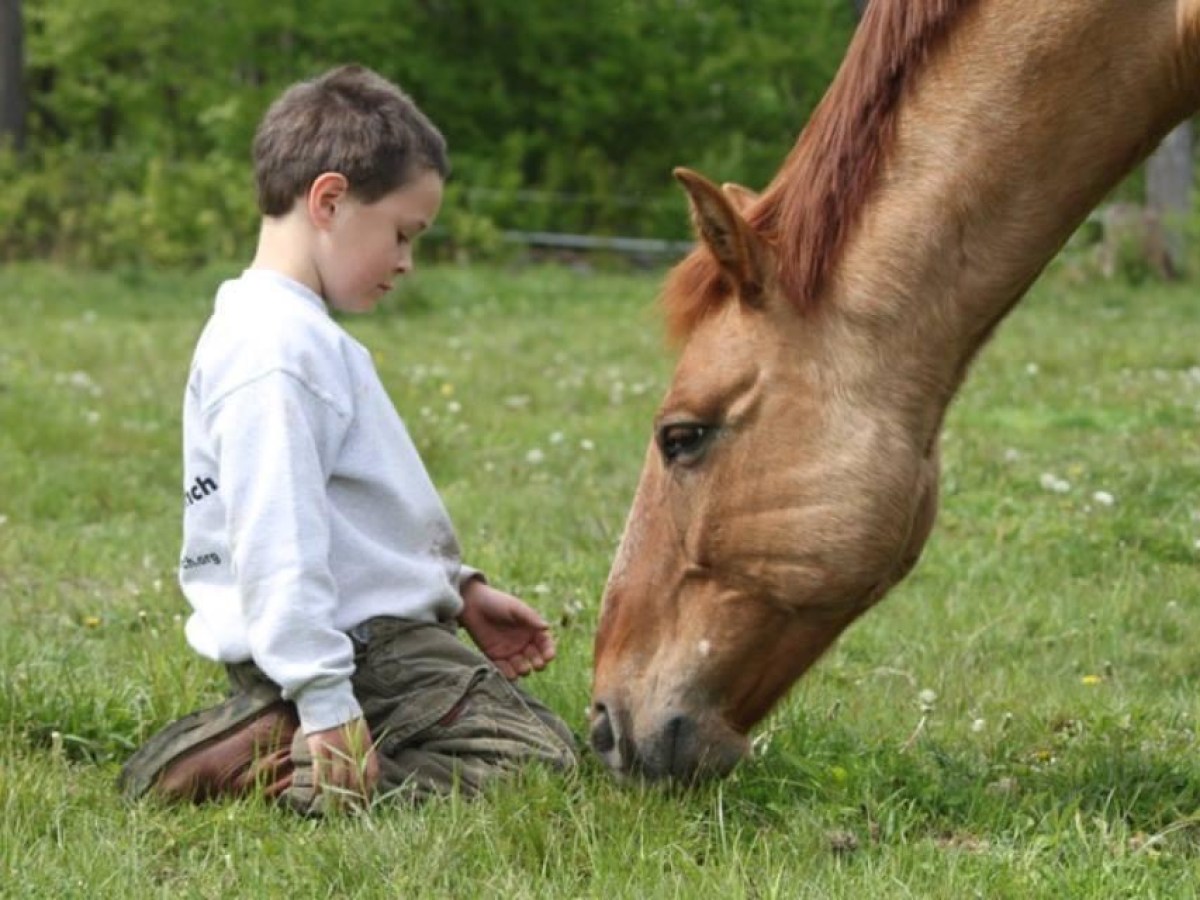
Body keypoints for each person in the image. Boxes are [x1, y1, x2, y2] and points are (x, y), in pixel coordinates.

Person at [117, 65, 576, 815]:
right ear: (329, 200)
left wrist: (460, 592)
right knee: (537, 769)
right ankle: (287, 766)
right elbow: (278, 536)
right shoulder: (277, 351)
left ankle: (281, 728)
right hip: (361, 648)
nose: (406, 262)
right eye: (402, 233)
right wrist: (328, 698)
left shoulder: (280, 335)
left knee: (530, 748)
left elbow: (348, 514)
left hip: (346, 641)